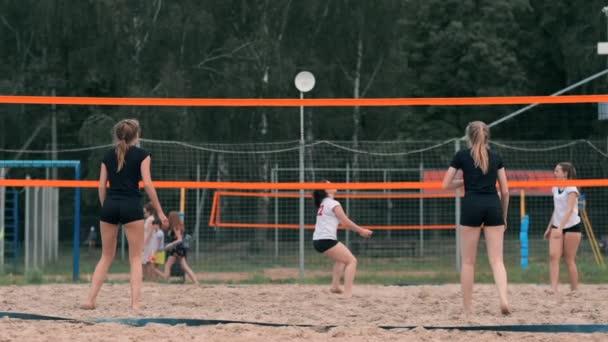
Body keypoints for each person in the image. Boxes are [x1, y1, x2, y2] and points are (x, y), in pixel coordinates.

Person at [82, 118, 168, 311]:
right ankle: (135, 304)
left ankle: (90, 300)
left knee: (105, 256)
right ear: (136, 136)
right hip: (131, 206)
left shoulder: (107, 155)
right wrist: (160, 212)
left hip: (110, 205)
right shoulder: (143, 155)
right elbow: (147, 184)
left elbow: (101, 185)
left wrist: (106, 207)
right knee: (136, 258)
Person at [442, 121, 510, 315]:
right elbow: (505, 191)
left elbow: (445, 184)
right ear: (487, 136)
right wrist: (504, 216)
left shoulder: (462, 156)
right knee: (497, 260)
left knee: (468, 262)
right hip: (493, 205)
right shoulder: (496, 157)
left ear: (468, 137)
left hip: (472, 204)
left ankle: (468, 308)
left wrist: (465, 181)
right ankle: (504, 300)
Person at [312, 181, 373, 299]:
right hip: (326, 240)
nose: (333, 184)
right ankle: (348, 293)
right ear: (326, 189)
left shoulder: (323, 203)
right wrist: (361, 230)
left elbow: (340, 222)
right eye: (330, 184)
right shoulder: (333, 203)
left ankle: (335, 286)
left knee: (341, 260)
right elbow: (345, 222)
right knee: (352, 261)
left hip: (318, 241)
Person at [543, 162, 582, 295]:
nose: (555, 173)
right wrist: (550, 227)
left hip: (572, 226)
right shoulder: (554, 187)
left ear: (565, 173)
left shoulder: (571, 187)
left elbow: (570, 209)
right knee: (553, 256)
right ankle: (553, 288)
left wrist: (560, 227)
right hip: (557, 225)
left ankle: (574, 289)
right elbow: (557, 210)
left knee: (569, 259)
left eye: (557, 171)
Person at [161, 211, 198, 284]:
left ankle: (165, 281)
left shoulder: (175, 227)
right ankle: (195, 281)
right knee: (184, 266)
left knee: (168, 265)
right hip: (179, 248)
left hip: (177, 249)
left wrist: (170, 244)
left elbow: (179, 239)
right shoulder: (178, 226)